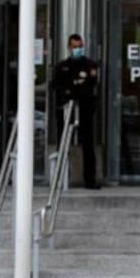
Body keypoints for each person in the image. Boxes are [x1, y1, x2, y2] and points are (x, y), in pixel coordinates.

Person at [54, 32, 100, 189]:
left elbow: (90, 84)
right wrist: (72, 89)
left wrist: (74, 88)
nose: (77, 50)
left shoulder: (90, 65)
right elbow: (58, 87)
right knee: (63, 142)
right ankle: (60, 179)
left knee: (88, 144)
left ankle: (90, 180)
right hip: (67, 110)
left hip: (85, 109)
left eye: (80, 47)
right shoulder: (62, 66)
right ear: (69, 47)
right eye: (74, 47)